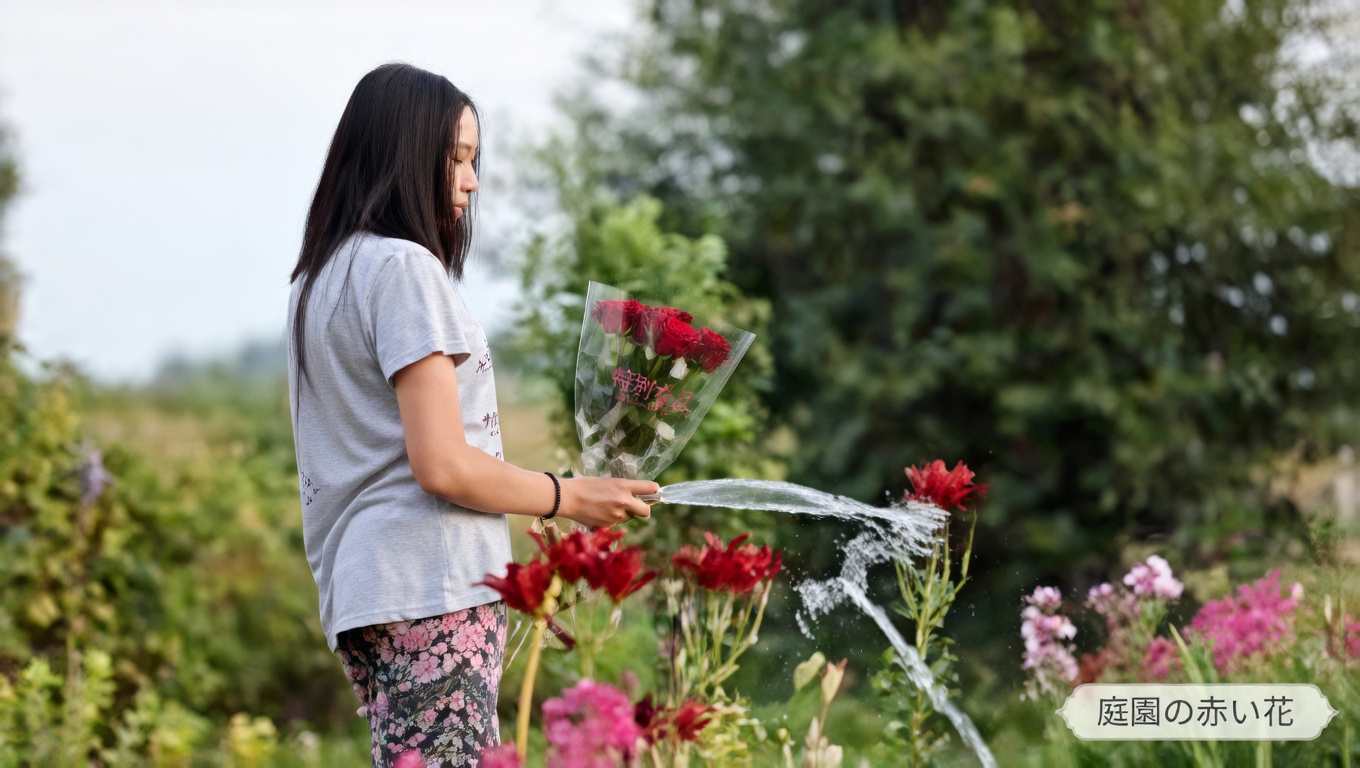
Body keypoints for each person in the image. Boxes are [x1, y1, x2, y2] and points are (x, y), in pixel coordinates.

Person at [285, 62, 657, 768]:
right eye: (454, 157)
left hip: (370, 589)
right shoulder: (403, 270)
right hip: (432, 583)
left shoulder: (321, 279)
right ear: (404, 156)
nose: (470, 180)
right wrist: (567, 495)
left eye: (473, 159)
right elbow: (443, 465)